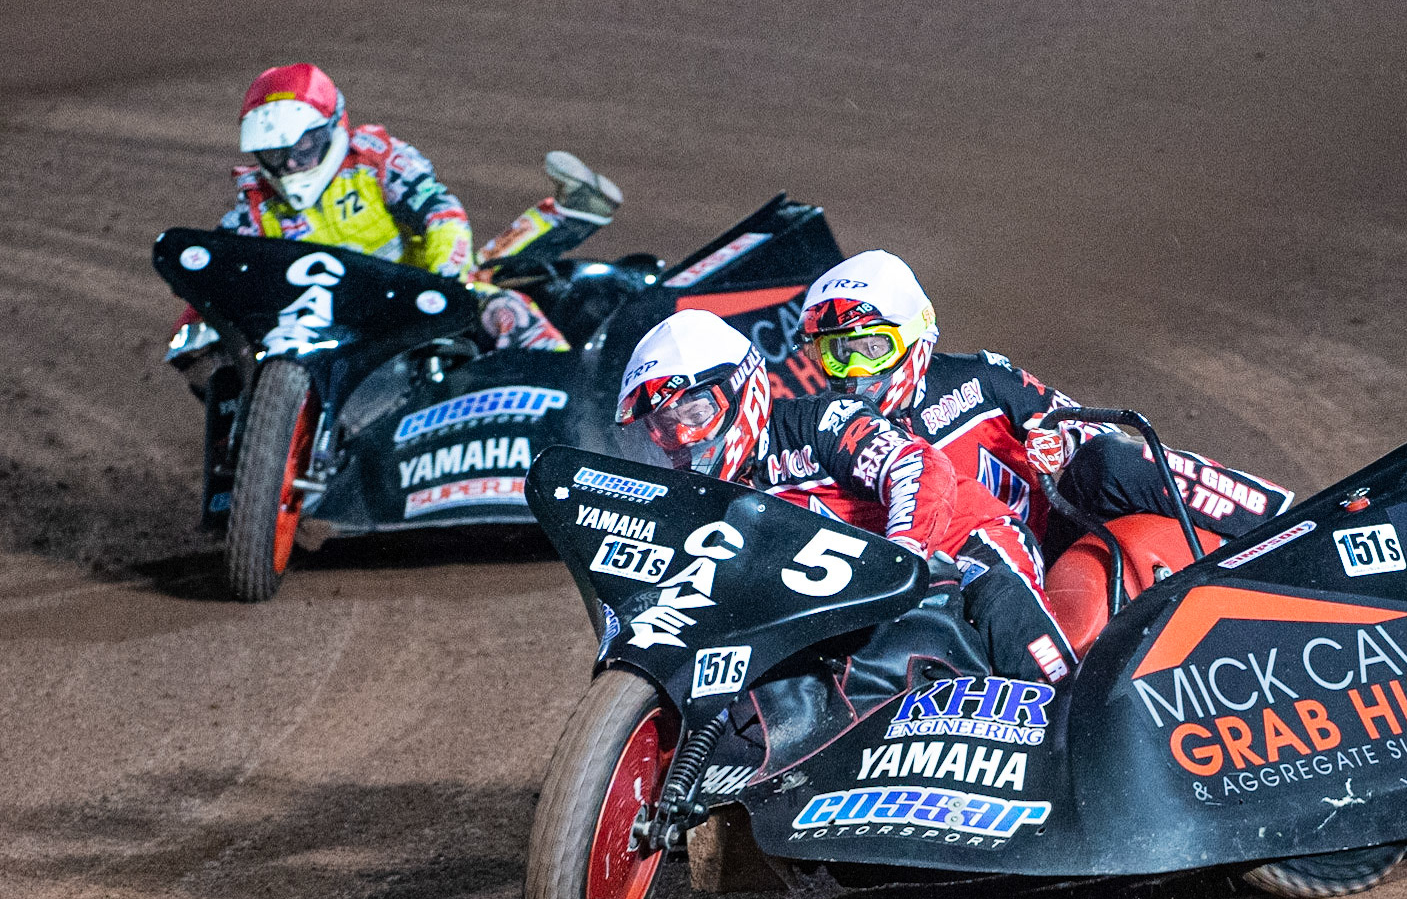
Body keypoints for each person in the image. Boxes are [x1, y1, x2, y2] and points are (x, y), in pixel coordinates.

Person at [616, 310, 1077, 684]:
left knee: (1017, 636)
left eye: (695, 410)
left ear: (744, 389)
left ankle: (1074, 720)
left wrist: (902, 559)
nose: (677, 434)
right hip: (832, 603)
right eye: (657, 425)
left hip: (963, 543)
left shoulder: (822, 420)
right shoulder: (700, 495)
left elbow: (919, 467)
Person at [796, 250, 1294, 559]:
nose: (857, 373)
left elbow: (1081, 429)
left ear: (914, 337)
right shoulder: (822, 431)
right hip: (959, 575)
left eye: (871, 347)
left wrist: (1058, 443)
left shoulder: (982, 376)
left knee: (1110, 459)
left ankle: (1282, 523)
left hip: (1048, 533)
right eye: (836, 354)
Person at [169, 62, 623, 362]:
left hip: (415, 304)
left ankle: (572, 406)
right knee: (212, 358)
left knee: (506, 308)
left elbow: (441, 211)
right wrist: (197, 324)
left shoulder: (376, 159)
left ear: (332, 129)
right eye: (274, 151)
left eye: (303, 145)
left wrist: (446, 279)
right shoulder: (255, 201)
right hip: (317, 330)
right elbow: (221, 268)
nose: (289, 163)